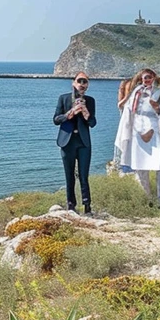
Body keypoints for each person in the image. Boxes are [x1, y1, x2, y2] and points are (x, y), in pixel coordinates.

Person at [116, 68, 160, 206]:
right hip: (138, 130)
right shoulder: (137, 91)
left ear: (154, 77)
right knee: (140, 165)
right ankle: (147, 197)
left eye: (149, 77)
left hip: (156, 130)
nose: (147, 80)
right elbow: (129, 109)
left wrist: (157, 108)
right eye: (144, 77)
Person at [53, 72, 97, 214]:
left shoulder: (90, 101)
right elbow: (56, 119)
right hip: (68, 142)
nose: (82, 84)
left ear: (88, 85)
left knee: (84, 176)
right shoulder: (64, 98)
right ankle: (71, 206)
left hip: (83, 142)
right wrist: (69, 113)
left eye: (85, 82)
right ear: (74, 83)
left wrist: (86, 113)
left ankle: (87, 206)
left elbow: (93, 123)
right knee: (69, 176)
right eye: (80, 81)